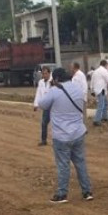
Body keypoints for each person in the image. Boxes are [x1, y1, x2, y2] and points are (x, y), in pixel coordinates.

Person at [37, 68, 93, 204]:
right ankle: (87, 192)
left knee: (63, 165)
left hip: (61, 135)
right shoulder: (78, 89)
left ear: (56, 79)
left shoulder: (54, 91)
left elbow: (42, 104)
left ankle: (62, 194)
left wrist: (51, 89)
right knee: (80, 163)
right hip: (78, 132)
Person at [33, 65, 52, 146]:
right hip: (46, 106)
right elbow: (38, 93)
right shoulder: (41, 82)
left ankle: (58, 141)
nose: (44, 75)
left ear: (49, 73)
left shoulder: (53, 82)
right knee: (44, 123)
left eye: (46, 73)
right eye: (43, 74)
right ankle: (44, 140)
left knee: (55, 124)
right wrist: (36, 104)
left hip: (53, 106)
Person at [90, 59, 108, 126]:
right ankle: (96, 120)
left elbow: (92, 81)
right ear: (105, 65)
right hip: (102, 90)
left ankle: (105, 117)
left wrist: (92, 90)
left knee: (105, 103)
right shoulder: (104, 71)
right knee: (101, 105)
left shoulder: (96, 71)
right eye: (107, 65)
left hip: (98, 90)